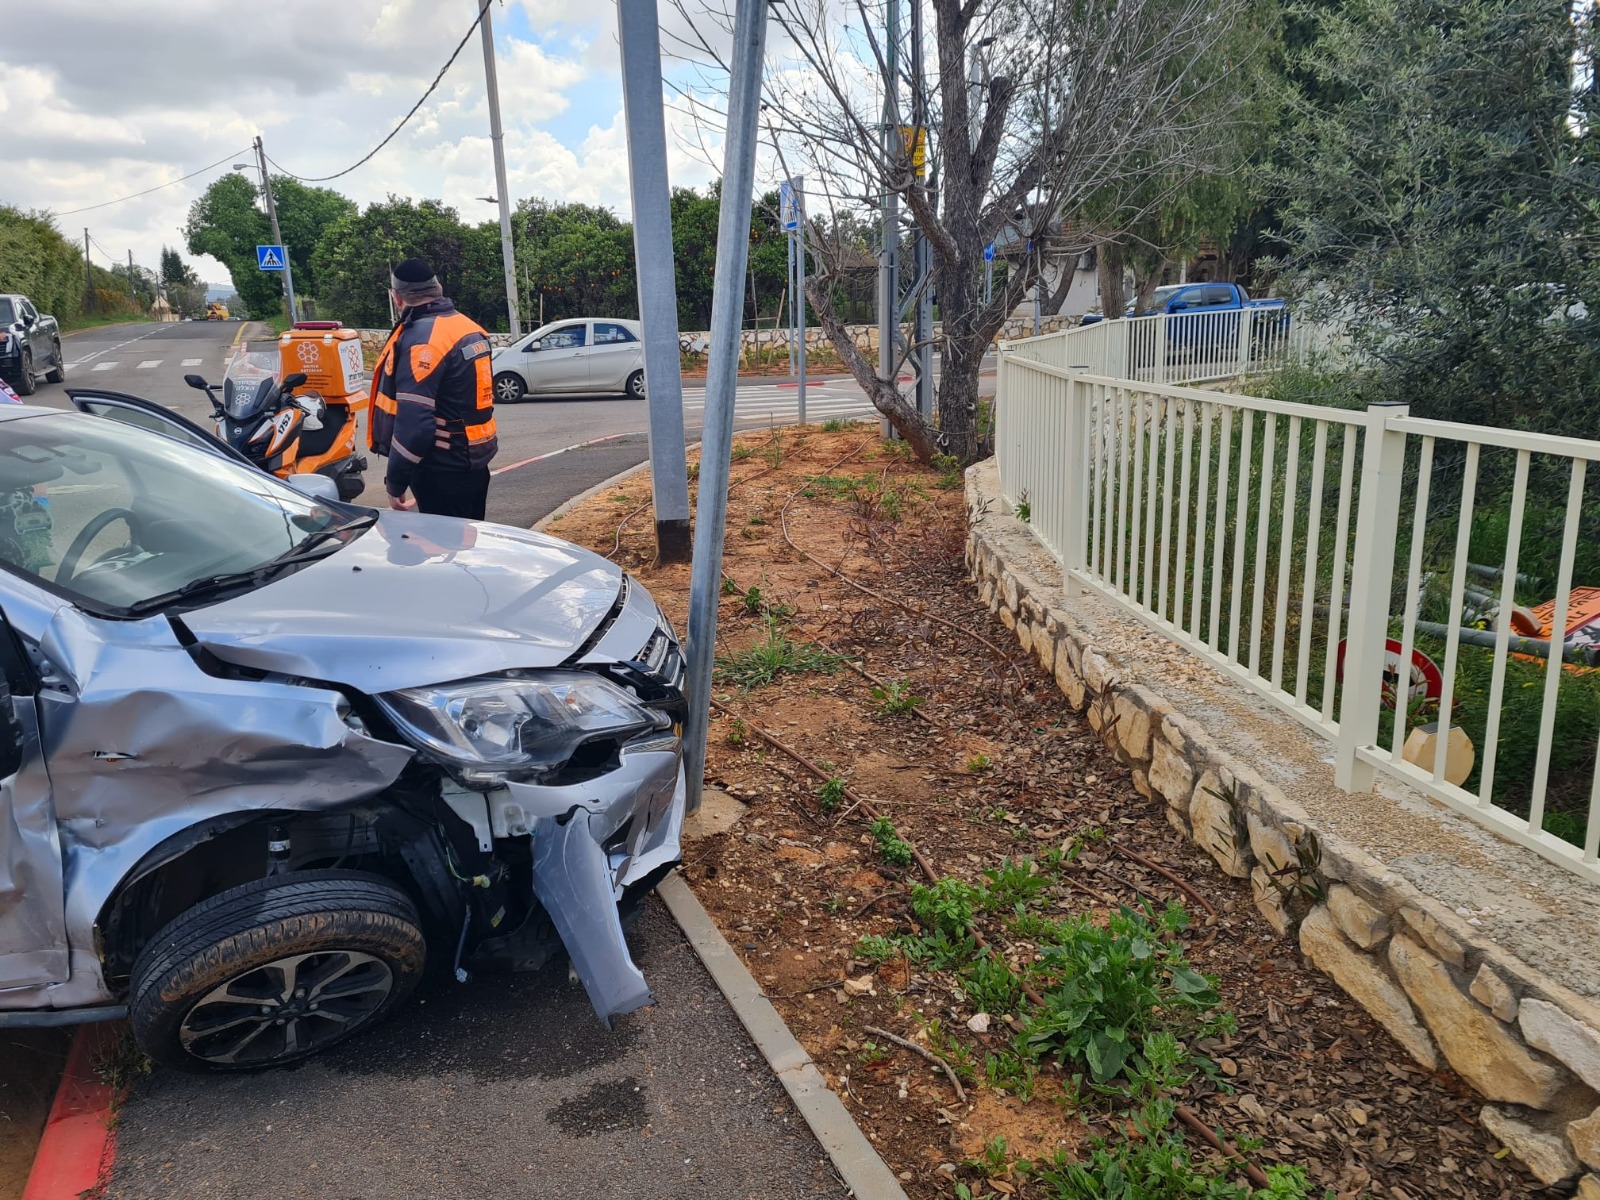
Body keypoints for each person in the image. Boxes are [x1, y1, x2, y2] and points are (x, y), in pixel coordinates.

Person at [368, 257, 498, 518]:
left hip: (440, 470)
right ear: (437, 289)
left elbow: (415, 425)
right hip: (473, 460)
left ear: (397, 297)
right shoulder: (467, 327)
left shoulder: (422, 341)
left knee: (445, 551)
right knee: (470, 544)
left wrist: (395, 482)